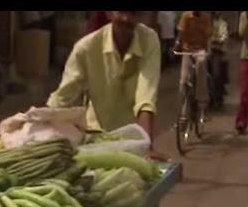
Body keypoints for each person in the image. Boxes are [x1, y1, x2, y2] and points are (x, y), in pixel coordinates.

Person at [47, 11, 163, 158]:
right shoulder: (86, 48)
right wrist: (39, 125)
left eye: (133, 13)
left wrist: (147, 146)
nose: (126, 18)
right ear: (108, 13)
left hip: (133, 139)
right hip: (96, 136)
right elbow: (63, 97)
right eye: (120, 12)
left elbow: (146, 97)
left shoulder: (149, 40)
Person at [175, 11, 213, 116]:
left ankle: (201, 102)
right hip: (187, 49)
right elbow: (181, 33)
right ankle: (183, 114)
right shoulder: (186, 16)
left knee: (201, 63)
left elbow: (209, 36)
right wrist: (177, 44)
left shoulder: (205, 18)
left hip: (200, 49)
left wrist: (208, 50)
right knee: (183, 81)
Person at [209, 11, 229, 108]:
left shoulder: (222, 24)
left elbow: (223, 37)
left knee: (216, 74)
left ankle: (216, 96)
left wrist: (215, 40)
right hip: (204, 50)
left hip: (217, 51)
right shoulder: (205, 22)